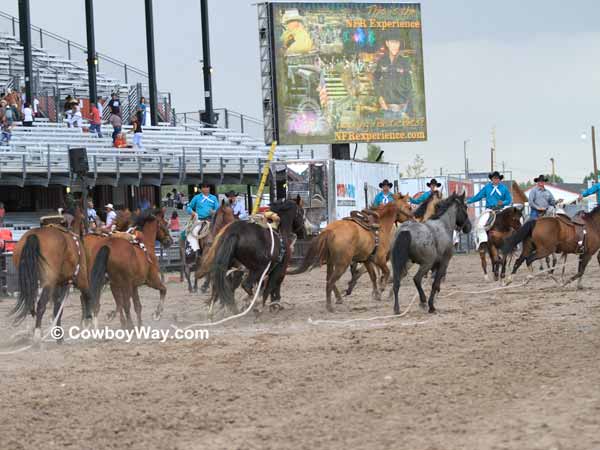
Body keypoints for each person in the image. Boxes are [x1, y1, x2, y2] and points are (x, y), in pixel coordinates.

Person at [373, 29, 414, 119]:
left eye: (397, 43)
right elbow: (375, 79)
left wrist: (409, 111)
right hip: (387, 110)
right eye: (392, 42)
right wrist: (380, 98)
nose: (395, 46)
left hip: (402, 111)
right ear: (387, 43)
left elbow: (411, 87)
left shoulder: (405, 61)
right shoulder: (382, 61)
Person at [467, 171, 512, 248]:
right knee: (480, 224)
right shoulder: (487, 187)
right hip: (489, 210)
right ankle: (482, 241)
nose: (496, 180)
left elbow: (509, 200)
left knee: (513, 221)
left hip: (501, 209)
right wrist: (469, 201)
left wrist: (503, 202)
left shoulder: (504, 188)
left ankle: (512, 242)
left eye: (497, 178)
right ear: (491, 179)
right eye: (494, 178)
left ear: (499, 179)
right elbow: (478, 196)